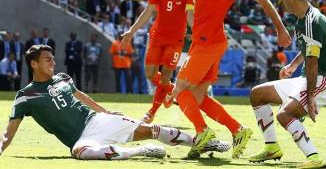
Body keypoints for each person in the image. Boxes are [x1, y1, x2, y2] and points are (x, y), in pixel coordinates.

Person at [163, 0, 291, 158]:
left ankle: (203, 132)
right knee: (199, 96)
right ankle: (238, 130)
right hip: (206, 42)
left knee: (181, 90)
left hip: (208, 44)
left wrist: (280, 29)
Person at [0, 45, 230, 159]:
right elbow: (9, 134)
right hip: (80, 139)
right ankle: (143, 151)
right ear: (34, 64)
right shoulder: (25, 96)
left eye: (52, 59)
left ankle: (204, 143)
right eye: (47, 60)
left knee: (151, 129)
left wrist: (107, 112)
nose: (53, 63)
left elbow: (82, 96)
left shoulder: (63, 78)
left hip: (97, 121)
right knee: (80, 153)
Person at [248, 0, 326, 168]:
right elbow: (309, 50)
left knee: (284, 114)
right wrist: (293, 66)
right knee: (258, 94)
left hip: (322, 81)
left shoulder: (311, 22)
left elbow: (313, 62)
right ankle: (272, 147)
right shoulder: (304, 18)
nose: (282, 3)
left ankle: (314, 157)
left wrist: (311, 96)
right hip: (307, 78)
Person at [121, 0, 195, 123]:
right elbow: (148, 11)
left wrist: (197, 32)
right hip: (157, 36)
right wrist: (131, 31)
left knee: (165, 76)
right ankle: (173, 90)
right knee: (150, 74)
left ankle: (151, 113)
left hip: (176, 39)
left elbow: (191, 14)